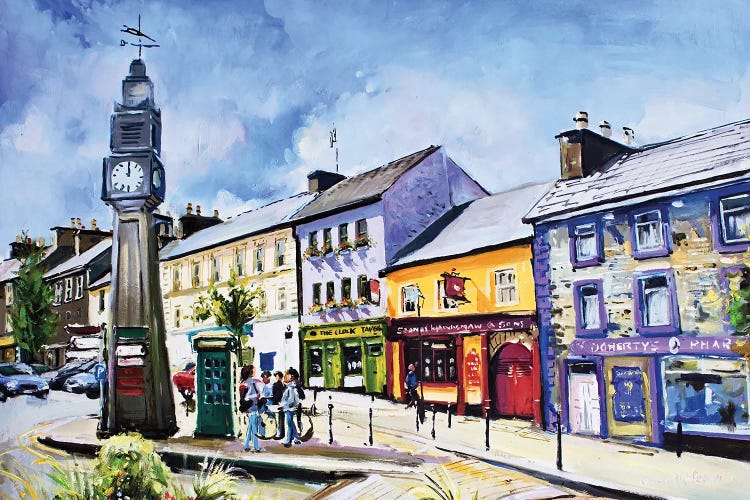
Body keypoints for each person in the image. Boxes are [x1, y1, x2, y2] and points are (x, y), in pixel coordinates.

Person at [240, 365, 265, 452]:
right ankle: (256, 447)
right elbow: (257, 393)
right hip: (252, 408)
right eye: (254, 370)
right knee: (254, 429)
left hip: (250, 408)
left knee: (250, 427)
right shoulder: (251, 383)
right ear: (251, 372)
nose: (255, 371)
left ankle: (246, 445)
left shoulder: (246, 383)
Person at [280, 368, 301, 448]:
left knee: (289, 424)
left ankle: (288, 441)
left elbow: (295, 400)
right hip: (288, 408)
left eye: (287, 376)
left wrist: (286, 405)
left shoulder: (291, 388)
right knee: (291, 423)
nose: (285, 377)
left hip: (289, 408)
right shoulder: (289, 387)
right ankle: (295, 438)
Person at [272, 370, 285, 439]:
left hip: (277, 403)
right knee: (281, 419)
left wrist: (273, 400)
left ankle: (279, 434)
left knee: (278, 419)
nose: (276, 377)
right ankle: (281, 434)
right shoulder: (283, 385)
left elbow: (276, 396)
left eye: (276, 376)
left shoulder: (276, 384)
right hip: (282, 403)